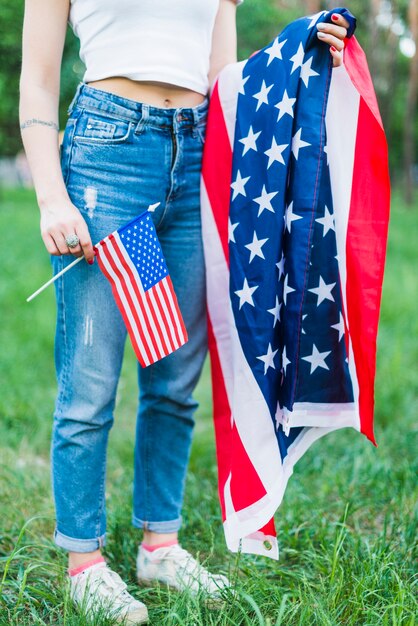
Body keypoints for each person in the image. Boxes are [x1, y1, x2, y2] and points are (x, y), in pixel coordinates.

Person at [19, 1, 350, 623]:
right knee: (90, 383)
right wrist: (50, 197)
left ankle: (159, 545)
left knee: (174, 380)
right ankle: (83, 564)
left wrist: (304, 51)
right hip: (109, 158)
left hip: (200, 153)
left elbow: (225, 80)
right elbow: (36, 79)